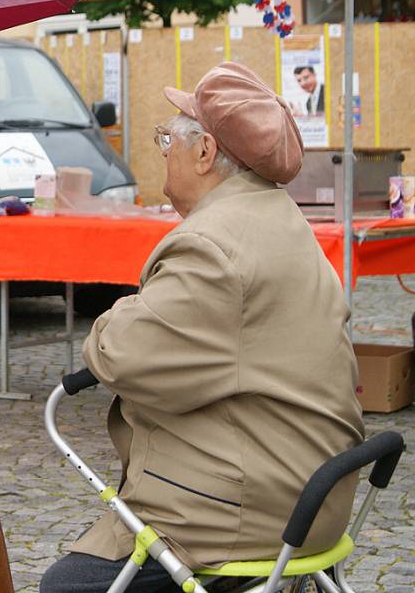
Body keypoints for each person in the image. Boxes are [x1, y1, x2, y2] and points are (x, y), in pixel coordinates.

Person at [41, 62, 364, 593]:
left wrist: (118, 312)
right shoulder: (280, 216)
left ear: (206, 151)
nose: (163, 148)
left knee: (66, 588)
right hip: (311, 487)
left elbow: (121, 355)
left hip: (251, 509)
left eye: (169, 137)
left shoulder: (211, 244)